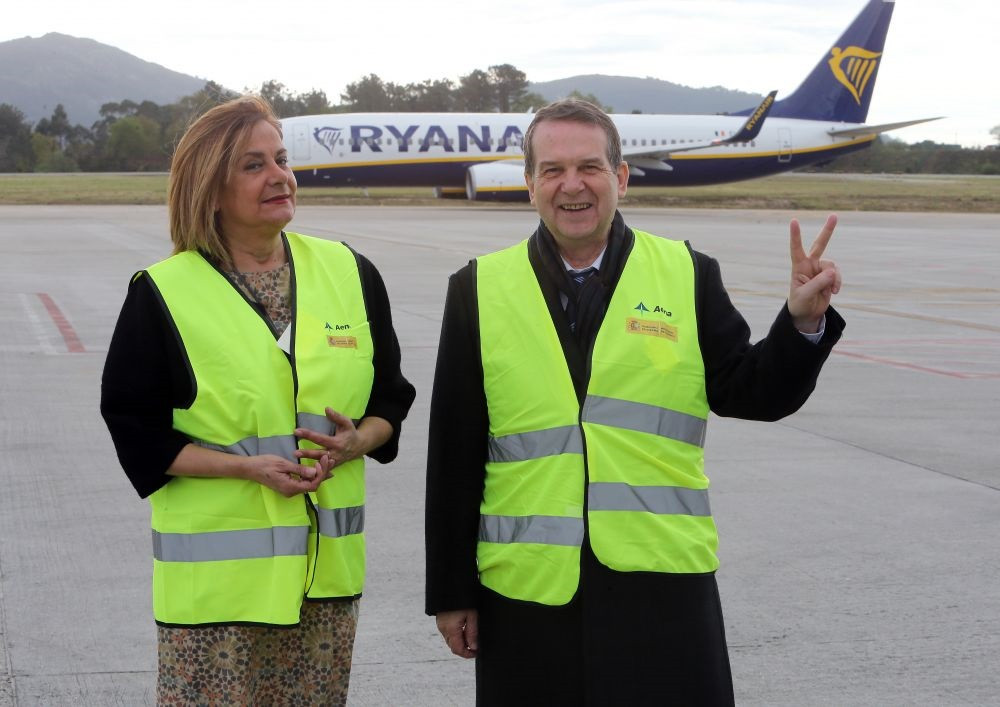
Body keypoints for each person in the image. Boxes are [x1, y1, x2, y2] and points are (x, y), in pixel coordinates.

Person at [424, 98, 844, 706]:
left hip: (662, 581)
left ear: (620, 178)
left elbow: (750, 392)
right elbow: (455, 451)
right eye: (552, 170)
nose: (573, 185)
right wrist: (452, 590)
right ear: (529, 182)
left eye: (590, 167)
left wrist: (800, 324)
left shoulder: (686, 273)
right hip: (528, 588)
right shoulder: (478, 287)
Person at [101, 95, 415, 705]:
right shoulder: (163, 292)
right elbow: (136, 431)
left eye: (281, 159)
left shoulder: (350, 271)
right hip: (216, 601)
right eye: (253, 165)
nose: (280, 177)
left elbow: (391, 401)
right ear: (210, 188)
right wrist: (243, 468)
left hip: (322, 587)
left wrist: (356, 442)